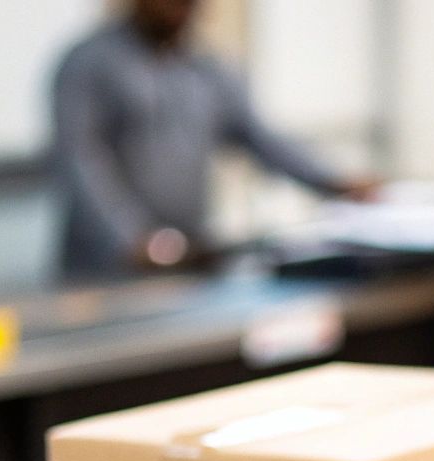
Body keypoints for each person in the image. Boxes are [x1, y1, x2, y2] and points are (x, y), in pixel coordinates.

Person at [50, 0, 380, 279]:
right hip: (107, 270)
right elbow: (82, 161)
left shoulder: (207, 69)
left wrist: (335, 181)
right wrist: (133, 239)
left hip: (188, 260)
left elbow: (262, 138)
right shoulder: (88, 64)